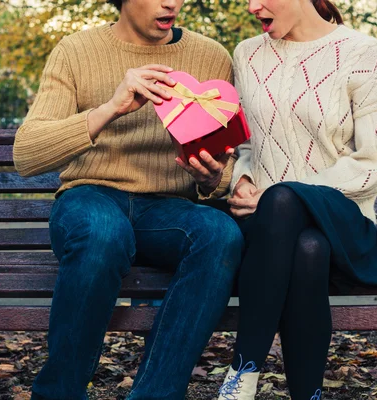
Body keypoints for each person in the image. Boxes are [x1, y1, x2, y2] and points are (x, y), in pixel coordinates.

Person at [12, 0, 244, 398]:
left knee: (221, 233)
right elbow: (27, 154)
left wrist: (212, 179)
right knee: (103, 232)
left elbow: (224, 166)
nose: (172, 3)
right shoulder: (76, 51)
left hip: (167, 209)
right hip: (90, 197)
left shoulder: (211, 57)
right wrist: (112, 107)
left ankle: (155, 394)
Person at [213, 0, 377, 398]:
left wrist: (291, 192)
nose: (251, 6)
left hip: (340, 221)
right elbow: (244, 142)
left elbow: (375, 163)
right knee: (306, 246)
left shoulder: (362, 53)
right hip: (264, 228)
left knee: (289, 205)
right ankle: (306, 395)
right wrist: (242, 179)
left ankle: (240, 377)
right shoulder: (247, 54)